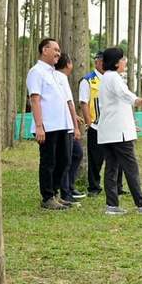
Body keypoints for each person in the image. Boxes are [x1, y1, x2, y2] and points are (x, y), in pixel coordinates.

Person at [96, 47, 142, 215]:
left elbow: (118, 105)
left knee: (111, 168)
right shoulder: (114, 78)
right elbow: (124, 94)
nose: (125, 62)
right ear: (117, 62)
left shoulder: (106, 78)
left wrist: (132, 124)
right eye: (123, 59)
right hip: (119, 134)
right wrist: (136, 99)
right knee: (131, 168)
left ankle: (112, 205)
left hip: (109, 131)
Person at [26, 38, 73, 210]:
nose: (58, 53)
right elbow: (35, 99)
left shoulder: (54, 74)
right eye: (55, 49)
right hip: (47, 126)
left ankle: (54, 192)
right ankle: (47, 197)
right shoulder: (36, 72)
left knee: (64, 160)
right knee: (49, 161)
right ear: (44, 50)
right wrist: (39, 126)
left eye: (59, 50)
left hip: (61, 125)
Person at [79, 51, 124, 196]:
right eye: (102, 61)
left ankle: (118, 186)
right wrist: (88, 123)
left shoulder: (112, 78)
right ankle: (94, 187)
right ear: (96, 62)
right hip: (96, 125)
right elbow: (84, 102)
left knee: (117, 157)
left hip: (113, 124)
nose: (105, 64)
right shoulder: (88, 80)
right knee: (95, 159)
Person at [55, 53, 86, 202]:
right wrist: (75, 127)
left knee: (75, 154)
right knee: (67, 158)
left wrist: (74, 117)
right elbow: (69, 103)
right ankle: (65, 192)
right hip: (65, 127)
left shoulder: (59, 78)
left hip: (66, 122)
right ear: (68, 64)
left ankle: (69, 187)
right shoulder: (60, 77)